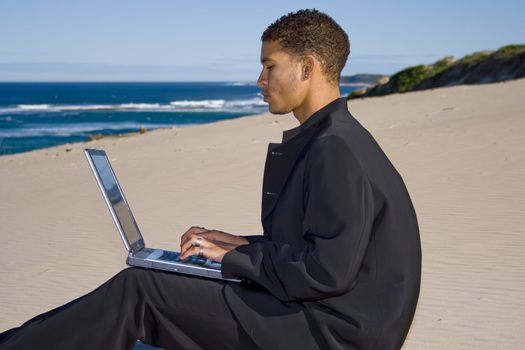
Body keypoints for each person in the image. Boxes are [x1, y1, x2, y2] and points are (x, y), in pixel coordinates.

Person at [0, 9, 421, 350]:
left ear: (307, 67)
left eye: (269, 66)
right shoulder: (335, 137)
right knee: (157, 282)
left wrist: (232, 259)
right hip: (330, 318)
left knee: (141, 288)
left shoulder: (335, 149)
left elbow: (324, 274)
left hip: (332, 334)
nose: (260, 81)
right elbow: (320, 250)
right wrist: (237, 244)